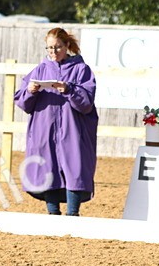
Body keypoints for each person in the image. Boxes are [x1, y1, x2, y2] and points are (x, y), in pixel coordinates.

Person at [13, 27, 98, 215]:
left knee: (75, 167)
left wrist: (68, 90)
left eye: (57, 47)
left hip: (73, 130)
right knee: (47, 166)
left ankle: (73, 212)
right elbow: (22, 102)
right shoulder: (40, 70)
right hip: (45, 130)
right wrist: (30, 91)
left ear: (67, 46)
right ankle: (52, 213)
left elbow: (86, 103)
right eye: (50, 48)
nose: (53, 52)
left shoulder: (81, 70)